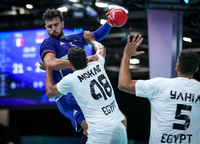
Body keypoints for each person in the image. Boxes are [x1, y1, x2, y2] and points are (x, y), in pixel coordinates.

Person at [39, 8, 127, 143]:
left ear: (62, 24)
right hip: (67, 96)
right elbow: (50, 63)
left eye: (55, 25)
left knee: (121, 119)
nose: (53, 29)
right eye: (49, 27)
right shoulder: (49, 43)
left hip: (85, 91)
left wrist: (109, 23)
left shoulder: (75, 38)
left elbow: (96, 36)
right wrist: (78, 62)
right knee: (89, 126)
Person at [118, 34, 200, 144]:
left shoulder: (161, 85)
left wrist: (127, 55)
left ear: (178, 66)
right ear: (197, 69)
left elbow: (123, 84)